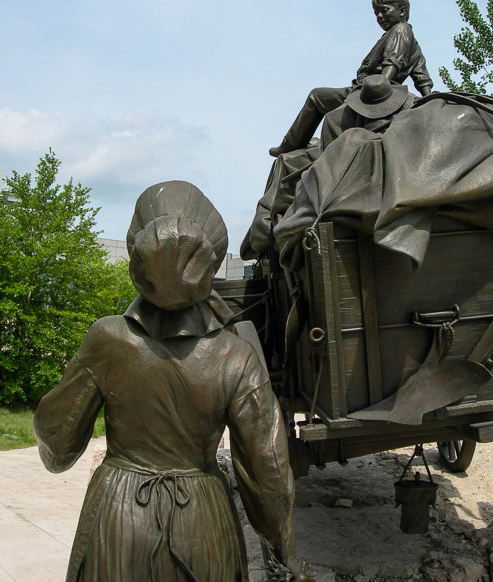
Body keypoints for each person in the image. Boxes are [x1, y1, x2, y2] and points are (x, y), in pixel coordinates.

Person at [34, 181, 312, 582]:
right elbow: (267, 471)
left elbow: (56, 449)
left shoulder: (106, 340)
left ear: (137, 257)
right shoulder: (235, 356)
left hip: (118, 519)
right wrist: (284, 549)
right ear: (211, 265)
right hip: (202, 522)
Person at [269, 0, 433, 157]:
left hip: (369, 92)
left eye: (384, 10)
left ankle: (291, 144)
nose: (380, 16)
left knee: (316, 96)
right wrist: (427, 94)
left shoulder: (400, 30)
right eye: (376, 13)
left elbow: (393, 61)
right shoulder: (408, 39)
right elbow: (420, 72)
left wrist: (379, 87)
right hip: (371, 89)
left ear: (402, 11)